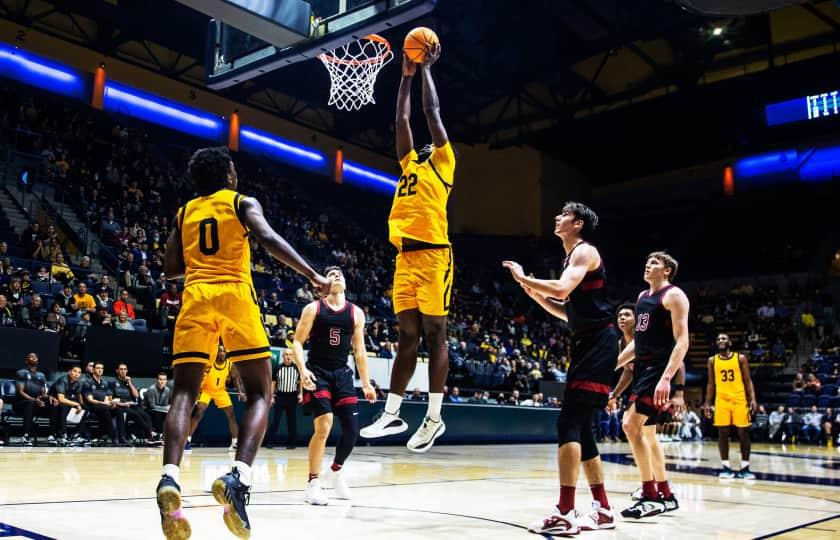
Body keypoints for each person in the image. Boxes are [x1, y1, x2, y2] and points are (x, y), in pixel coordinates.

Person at [156, 146, 329, 540]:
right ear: (228, 176)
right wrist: (310, 273)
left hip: (195, 295)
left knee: (183, 392)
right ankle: (239, 476)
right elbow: (267, 238)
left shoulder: (185, 212)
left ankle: (169, 477)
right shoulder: (241, 201)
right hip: (234, 294)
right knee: (259, 394)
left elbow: (170, 269)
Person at [360, 43, 456, 453]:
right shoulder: (408, 164)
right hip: (405, 258)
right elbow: (401, 117)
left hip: (435, 254)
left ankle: (434, 417)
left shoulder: (444, 162)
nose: (426, 143)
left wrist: (427, 69)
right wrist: (405, 75)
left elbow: (430, 114)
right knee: (406, 336)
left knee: (436, 335)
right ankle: (393, 411)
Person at [502, 203, 617, 534]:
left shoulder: (584, 252)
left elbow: (563, 289)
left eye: (563, 215)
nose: (557, 217)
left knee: (569, 421)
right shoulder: (571, 258)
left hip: (598, 342)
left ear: (577, 224)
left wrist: (528, 278)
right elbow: (568, 312)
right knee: (581, 428)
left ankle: (566, 511)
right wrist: (531, 289)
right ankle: (604, 509)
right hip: (587, 340)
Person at [291, 267, 376, 506]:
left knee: (352, 430)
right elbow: (297, 342)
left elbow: (359, 351)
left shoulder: (356, 313)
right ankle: (313, 483)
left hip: (342, 374)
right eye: (331, 274)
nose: (336, 275)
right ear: (322, 285)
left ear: (346, 284)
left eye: (340, 274)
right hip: (318, 372)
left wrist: (367, 383)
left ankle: (336, 471)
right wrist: (302, 370)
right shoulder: (313, 308)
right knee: (324, 424)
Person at [616, 252, 689, 519]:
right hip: (642, 368)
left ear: (667, 270)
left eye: (655, 263)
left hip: (658, 368)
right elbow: (638, 343)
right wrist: (611, 365)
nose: (648, 265)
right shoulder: (642, 298)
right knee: (648, 436)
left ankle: (650, 495)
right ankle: (666, 495)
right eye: (647, 261)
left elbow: (682, 341)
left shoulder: (674, 296)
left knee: (629, 424)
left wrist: (667, 378)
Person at [703, 333, 757, 479]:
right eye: (718, 339)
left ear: (730, 342)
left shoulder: (740, 358)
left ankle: (745, 468)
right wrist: (707, 403)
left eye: (724, 339)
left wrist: (752, 399)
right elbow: (710, 384)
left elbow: (748, 380)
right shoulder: (712, 361)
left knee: (743, 432)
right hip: (721, 400)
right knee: (723, 433)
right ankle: (726, 467)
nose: (721, 341)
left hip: (739, 399)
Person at [186, 345, 241, 452]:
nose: (222, 353)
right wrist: (197, 393)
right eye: (220, 351)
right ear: (215, 353)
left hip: (220, 391)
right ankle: (187, 440)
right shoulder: (209, 364)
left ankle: (235, 443)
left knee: (231, 415)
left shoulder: (230, 364)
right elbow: (200, 378)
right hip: (206, 391)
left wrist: (240, 391)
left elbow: (235, 378)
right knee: (199, 412)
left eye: (224, 351)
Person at [265, 349, 302, 449]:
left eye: (290, 354)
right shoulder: (277, 368)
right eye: (286, 354)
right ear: (283, 356)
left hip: (292, 396)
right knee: (275, 421)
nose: (288, 356)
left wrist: (301, 394)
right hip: (280, 396)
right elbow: (273, 383)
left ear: (293, 356)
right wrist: (271, 396)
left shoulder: (297, 368)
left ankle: (292, 443)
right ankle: (270, 442)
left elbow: (301, 381)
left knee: (291, 422)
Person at [13, 352, 51, 446]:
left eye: (35, 357)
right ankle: (25, 435)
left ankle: (55, 435)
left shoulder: (41, 375)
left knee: (54, 404)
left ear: (38, 361)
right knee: (29, 403)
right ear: (26, 361)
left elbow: (43, 394)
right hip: (20, 404)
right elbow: (20, 392)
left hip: (36, 403)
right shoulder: (21, 373)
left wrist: (50, 398)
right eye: (30, 357)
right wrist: (35, 400)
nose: (33, 358)